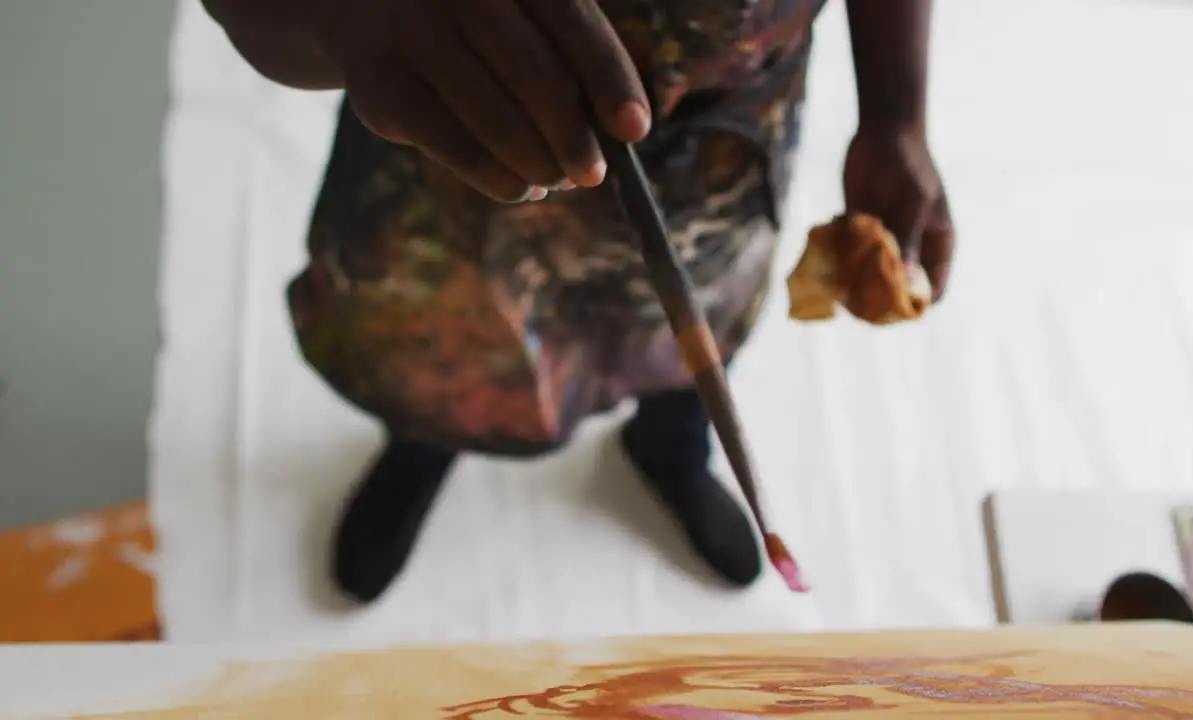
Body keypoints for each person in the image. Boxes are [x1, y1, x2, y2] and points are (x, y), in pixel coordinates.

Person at [202, 0, 955, 604]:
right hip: (468, 126)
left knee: (691, 338)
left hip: (726, 135)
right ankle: (426, 444)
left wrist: (897, 116)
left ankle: (669, 452)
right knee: (443, 346)